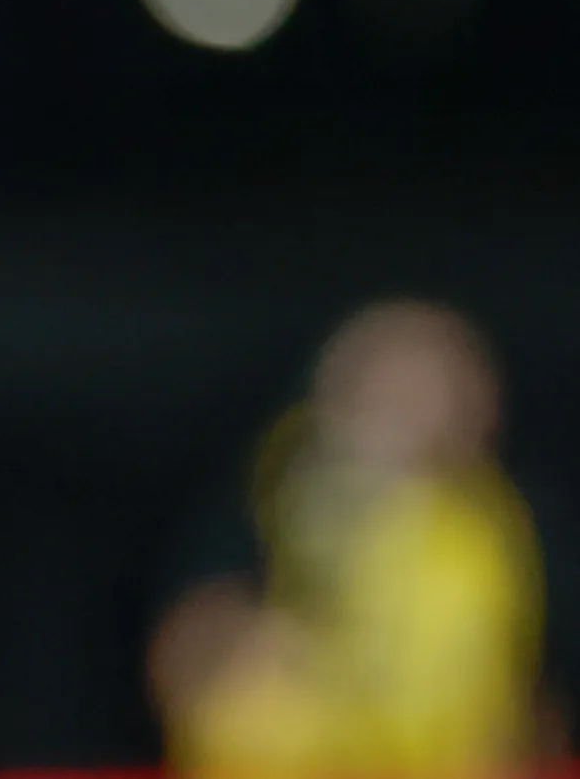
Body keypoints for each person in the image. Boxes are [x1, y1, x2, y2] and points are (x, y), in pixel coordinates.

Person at [151, 300, 551, 779]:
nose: (412, 408)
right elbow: (187, 644)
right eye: (390, 385)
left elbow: (529, 697)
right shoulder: (268, 497)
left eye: (433, 387)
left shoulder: (498, 531)